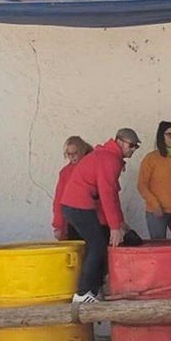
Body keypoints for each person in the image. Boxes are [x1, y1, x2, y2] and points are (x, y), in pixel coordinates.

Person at [60, 127, 141, 303]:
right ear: (119, 142)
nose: (133, 149)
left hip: (75, 205)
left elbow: (112, 196)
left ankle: (92, 290)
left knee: (97, 245)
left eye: (137, 146)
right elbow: (107, 195)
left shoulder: (106, 156)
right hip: (78, 206)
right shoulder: (110, 160)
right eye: (131, 145)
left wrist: (119, 223)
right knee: (97, 246)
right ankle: (82, 293)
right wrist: (114, 227)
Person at [136, 121, 171, 240]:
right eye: (168, 134)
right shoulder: (151, 158)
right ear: (161, 137)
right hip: (156, 211)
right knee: (159, 244)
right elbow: (142, 185)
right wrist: (155, 204)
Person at [52, 136, 92, 240]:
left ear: (82, 151)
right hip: (74, 221)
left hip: (94, 217)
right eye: (69, 154)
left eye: (75, 153)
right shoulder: (65, 172)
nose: (72, 157)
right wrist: (58, 226)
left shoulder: (93, 166)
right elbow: (59, 199)